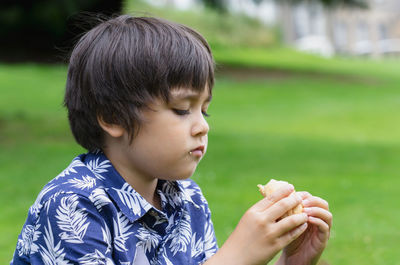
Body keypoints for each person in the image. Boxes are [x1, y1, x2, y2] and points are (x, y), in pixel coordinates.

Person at [11, 15, 332, 265]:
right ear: (113, 117)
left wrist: (291, 260)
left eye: (204, 111)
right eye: (181, 110)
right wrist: (236, 256)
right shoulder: (72, 205)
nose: (201, 127)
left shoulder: (187, 199)